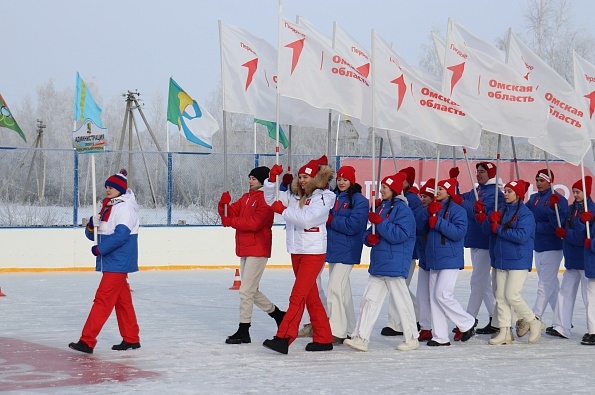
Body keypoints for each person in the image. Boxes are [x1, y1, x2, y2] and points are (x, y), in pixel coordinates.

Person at [261, 156, 336, 354]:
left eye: (307, 177)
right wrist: (271, 180)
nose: (303, 180)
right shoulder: (294, 196)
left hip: (313, 253)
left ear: (316, 178)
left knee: (297, 296)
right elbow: (271, 200)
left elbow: (307, 220)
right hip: (297, 251)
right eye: (300, 176)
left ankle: (284, 337)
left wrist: (283, 211)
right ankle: (323, 338)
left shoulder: (323, 197)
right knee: (311, 298)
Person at [344, 172, 419, 352]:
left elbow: (400, 234)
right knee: (368, 300)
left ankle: (412, 338)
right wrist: (368, 238)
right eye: (382, 187)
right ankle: (361, 337)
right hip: (380, 262)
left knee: (402, 301)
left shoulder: (404, 210)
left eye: (385, 187)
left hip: (395, 262)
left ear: (394, 189)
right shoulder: (382, 207)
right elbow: (373, 230)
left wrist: (381, 223)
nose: (381, 190)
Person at [69, 169, 141, 354]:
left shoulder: (125, 208)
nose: (108, 190)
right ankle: (131, 338)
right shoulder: (108, 207)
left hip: (118, 262)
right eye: (107, 187)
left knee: (102, 300)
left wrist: (100, 249)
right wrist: (91, 225)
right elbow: (92, 235)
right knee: (122, 302)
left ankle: (87, 341)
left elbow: (122, 236)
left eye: (112, 187)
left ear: (120, 189)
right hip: (111, 261)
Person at [218, 166, 286, 345]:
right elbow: (230, 213)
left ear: (263, 181)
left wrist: (231, 221)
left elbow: (255, 223)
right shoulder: (247, 197)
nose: (250, 181)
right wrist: (223, 204)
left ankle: (244, 329)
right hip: (246, 248)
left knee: (246, 290)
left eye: (254, 179)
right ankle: (278, 315)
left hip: (258, 247)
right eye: (249, 178)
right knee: (251, 290)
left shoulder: (266, 199)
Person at [485, 179, 543, 345]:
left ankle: (533, 321)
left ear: (518, 194)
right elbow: (491, 232)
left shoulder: (526, 214)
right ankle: (504, 331)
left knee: (512, 295)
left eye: (509, 191)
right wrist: (491, 221)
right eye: (505, 191)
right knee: (501, 297)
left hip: (518, 259)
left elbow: (521, 236)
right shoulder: (502, 210)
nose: (506, 194)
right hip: (501, 259)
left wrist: (499, 228)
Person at [418, 178, 475, 346]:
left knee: (442, 294)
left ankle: (467, 322)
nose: (437, 191)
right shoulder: (431, 208)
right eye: (437, 189)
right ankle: (440, 336)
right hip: (433, 258)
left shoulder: (458, 210)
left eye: (441, 189)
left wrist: (439, 222)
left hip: (449, 258)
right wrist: (428, 213)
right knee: (434, 298)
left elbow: (459, 233)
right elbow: (419, 228)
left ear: (449, 191)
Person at [452, 162, 503, 335]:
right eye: (478, 171)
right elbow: (459, 200)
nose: (479, 174)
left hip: (485, 241)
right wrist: (454, 183)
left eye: (482, 172)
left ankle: (469, 319)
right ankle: (495, 318)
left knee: (477, 281)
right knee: (484, 284)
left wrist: (465, 204)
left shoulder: (495, 194)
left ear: (491, 174)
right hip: (474, 239)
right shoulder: (478, 190)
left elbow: (483, 214)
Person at [325, 165, 369, 344]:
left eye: (345, 179)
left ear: (352, 180)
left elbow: (354, 226)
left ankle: (337, 329)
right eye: (339, 179)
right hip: (333, 249)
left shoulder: (359, 200)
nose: (341, 182)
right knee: (343, 291)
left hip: (348, 249)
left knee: (334, 288)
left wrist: (332, 220)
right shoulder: (332, 197)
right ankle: (351, 327)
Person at [523, 169, 568, 337]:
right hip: (538, 246)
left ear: (550, 181)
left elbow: (557, 226)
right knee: (552, 286)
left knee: (544, 285)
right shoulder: (534, 199)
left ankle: (535, 318)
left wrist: (535, 225)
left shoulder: (558, 200)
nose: (539, 183)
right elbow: (524, 215)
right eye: (537, 180)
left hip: (553, 248)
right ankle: (562, 321)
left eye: (542, 180)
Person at [547, 176, 593, 339]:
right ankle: (561, 325)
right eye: (574, 191)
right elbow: (560, 223)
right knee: (565, 292)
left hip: (585, 261)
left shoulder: (591, 210)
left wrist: (567, 234)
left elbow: (583, 236)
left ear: (586, 192)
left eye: (578, 191)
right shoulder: (571, 208)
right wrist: (554, 209)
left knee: (589, 297)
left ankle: (592, 329)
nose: (575, 194)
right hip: (572, 259)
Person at [381, 166, 422, 337]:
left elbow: (410, 225)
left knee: (400, 287)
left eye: (403, 179)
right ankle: (418, 312)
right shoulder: (392, 201)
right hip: (396, 251)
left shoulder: (410, 200)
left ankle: (396, 323)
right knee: (400, 287)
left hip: (406, 251)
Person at [415, 178, 436, 341]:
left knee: (438, 295)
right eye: (421, 196)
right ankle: (425, 327)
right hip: (424, 259)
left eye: (425, 196)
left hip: (437, 261)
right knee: (422, 295)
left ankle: (437, 326)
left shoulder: (440, 210)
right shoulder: (423, 211)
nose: (422, 199)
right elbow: (418, 227)